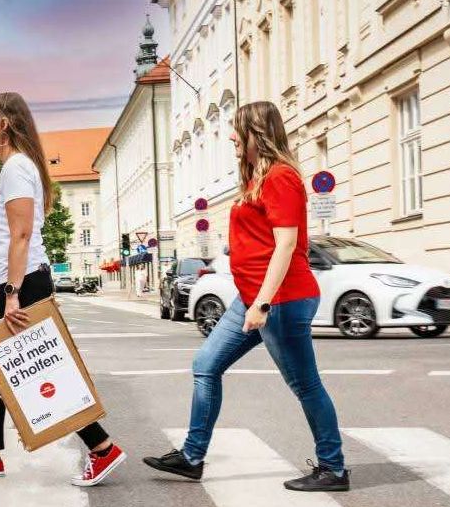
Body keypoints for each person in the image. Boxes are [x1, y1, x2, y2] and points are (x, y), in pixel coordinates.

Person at [143, 101, 349, 492]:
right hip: (253, 298)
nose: (232, 137)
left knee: (305, 385)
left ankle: (333, 467)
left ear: (258, 134)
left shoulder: (281, 178)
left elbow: (286, 245)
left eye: (237, 130)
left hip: (281, 300)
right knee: (206, 364)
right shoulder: (257, 178)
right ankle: (191, 457)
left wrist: (263, 304)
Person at [0, 92, 126, 487]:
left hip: (20, 283)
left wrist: (11, 293)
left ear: (3, 125)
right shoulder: (15, 168)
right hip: (7, 282)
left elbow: (21, 233)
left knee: (39, 369)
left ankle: (102, 447)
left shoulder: (16, 168)